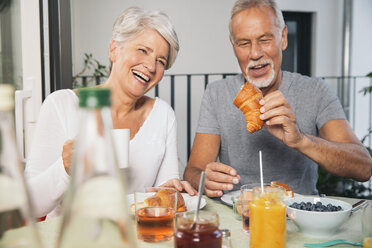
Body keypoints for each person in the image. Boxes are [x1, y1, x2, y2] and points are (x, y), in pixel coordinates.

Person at [184, 0, 372, 197]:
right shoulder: (217, 93)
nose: (255, 53)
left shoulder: (316, 91)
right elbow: (193, 172)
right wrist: (205, 180)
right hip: (238, 216)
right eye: (244, 43)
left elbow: (363, 168)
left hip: (300, 218)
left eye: (264, 40)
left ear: (283, 38)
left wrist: (301, 140)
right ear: (233, 46)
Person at [25, 6, 196, 219]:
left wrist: (172, 191)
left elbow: (164, 191)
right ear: (114, 50)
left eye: (161, 61)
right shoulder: (61, 105)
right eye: (143, 50)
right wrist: (65, 167)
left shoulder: (163, 114)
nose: (151, 66)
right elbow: (28, 207)